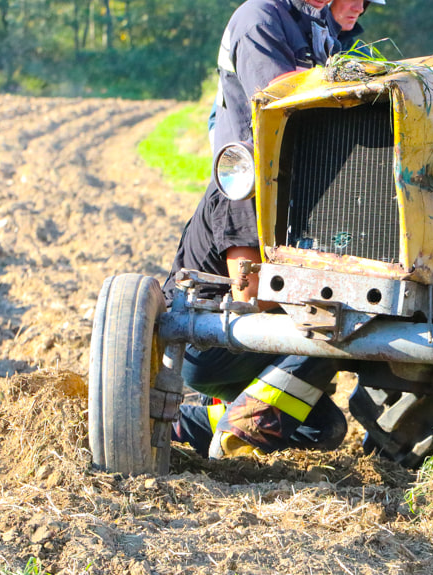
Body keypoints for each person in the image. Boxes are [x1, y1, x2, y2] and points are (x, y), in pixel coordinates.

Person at [167, 0, 355, 459]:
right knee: (339, 321)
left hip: (253, 345)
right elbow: (250, 296)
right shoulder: (247, 186)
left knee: (327, 430)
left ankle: (194, 424)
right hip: (214, 341)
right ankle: (237, 423)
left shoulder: (317, 28)